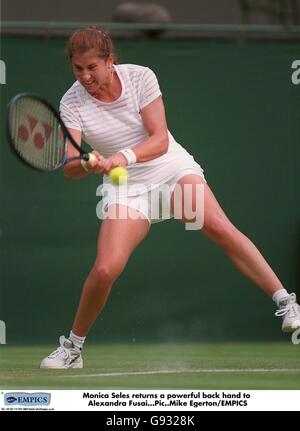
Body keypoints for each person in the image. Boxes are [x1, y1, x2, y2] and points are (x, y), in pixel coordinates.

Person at [40, 27, 300, 369]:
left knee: (217, 226)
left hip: (169, 170)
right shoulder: (71, 102)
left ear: (110, 60)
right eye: (78, 69)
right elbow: (69, 166)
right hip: (128, 190)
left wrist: (120, 158)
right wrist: (87, 165)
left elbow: (159, 139)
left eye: (92, 67)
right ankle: (73, 349)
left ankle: (285, 301)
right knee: (106, 269)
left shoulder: (140, 78)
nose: (85, 76)